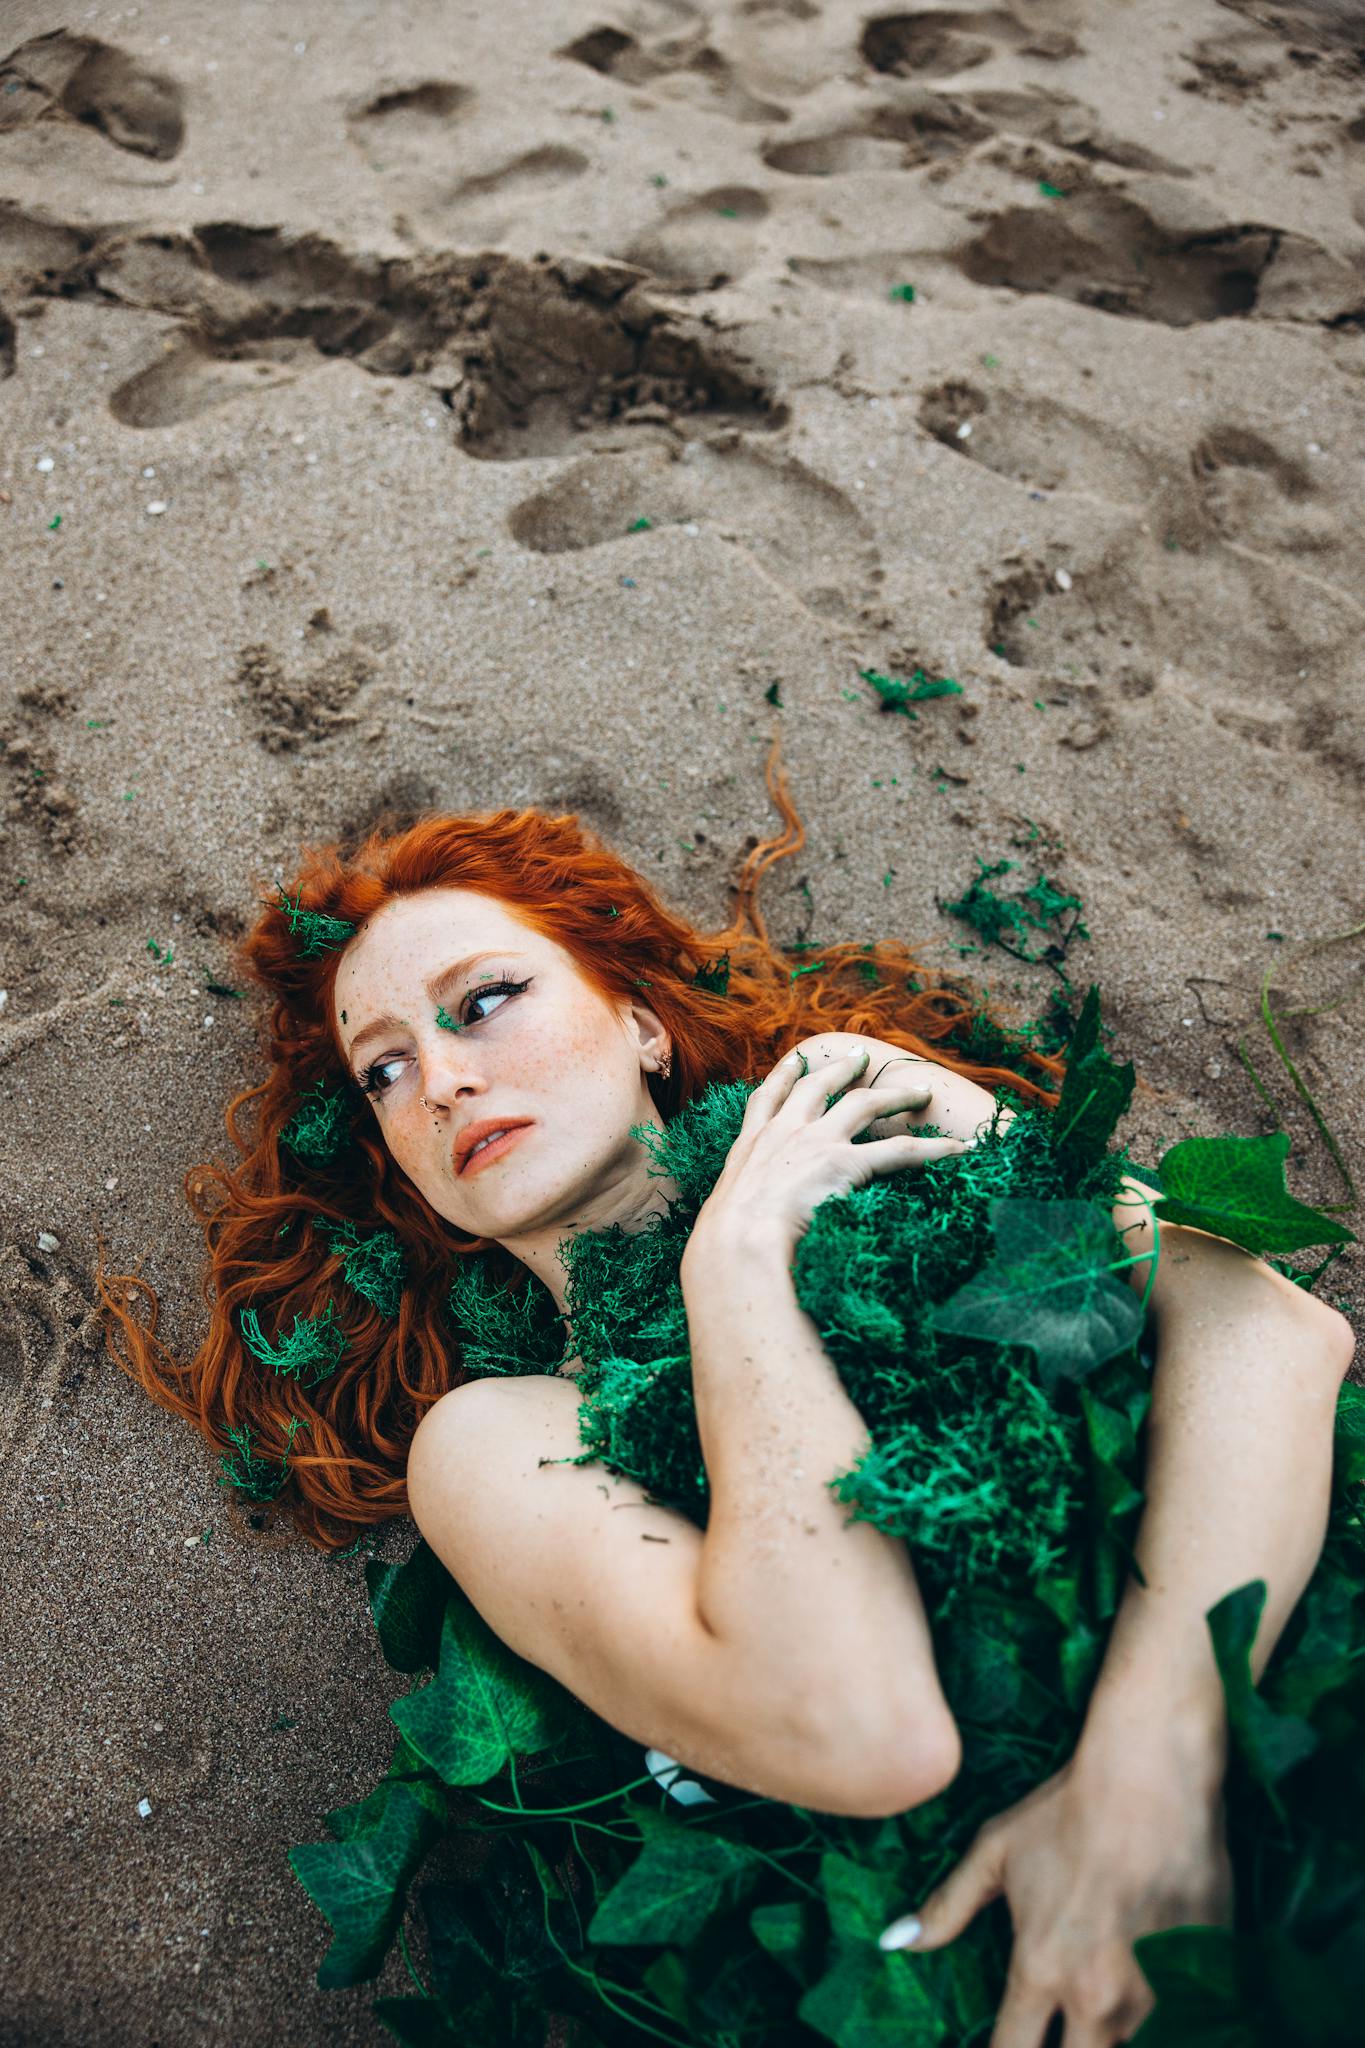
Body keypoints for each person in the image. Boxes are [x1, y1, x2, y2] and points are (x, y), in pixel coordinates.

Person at [100, 747, 1355, 2048]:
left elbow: (1263, 1324)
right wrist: (735, 1271)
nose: (444, 1081)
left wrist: (1151, 1775)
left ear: (640, 1021)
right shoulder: (500, 1446)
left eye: (481, 1002)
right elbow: (863, 1726)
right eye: (385, 1070)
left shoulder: (854, 1103)